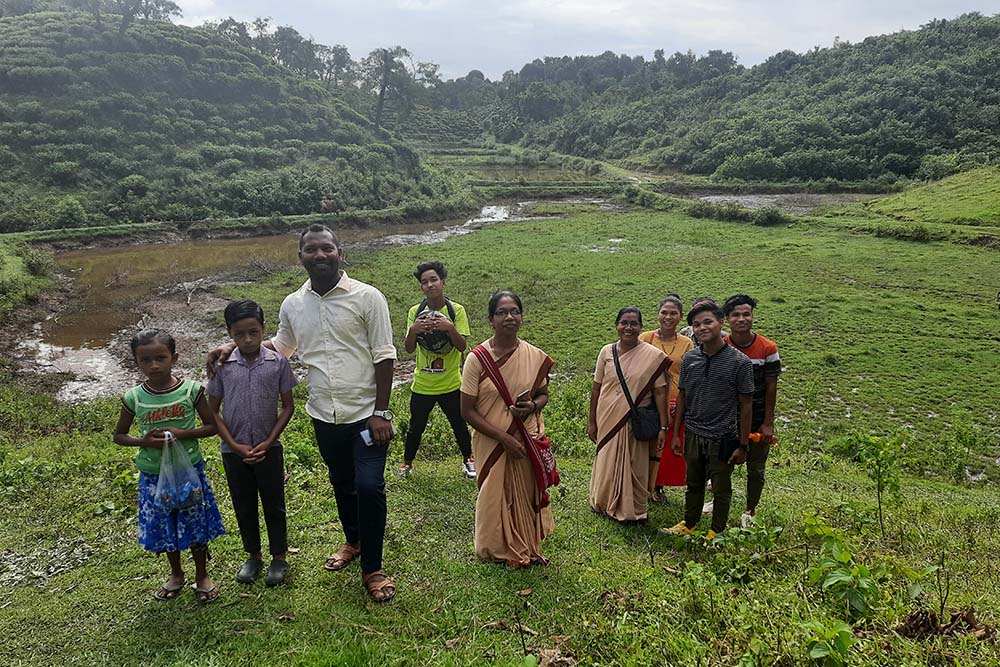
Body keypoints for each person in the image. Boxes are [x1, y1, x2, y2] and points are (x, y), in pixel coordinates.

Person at [207, 224, 397, 603]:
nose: (320, 255)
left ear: (340, 252)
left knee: (368, 486)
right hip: (324, 415)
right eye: (311, 250)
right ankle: (354, 542)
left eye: (327, 248)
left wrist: (382, 412)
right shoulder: (293, 304)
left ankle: (372, 568)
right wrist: (230, 346)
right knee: (342, 483)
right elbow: (281, 346)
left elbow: (384, 355)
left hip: (366, 415)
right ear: (301, 257)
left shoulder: (368, 297)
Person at [113, 329, 224, 604]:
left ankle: (202, 575)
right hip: (153, 475)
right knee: (166, 525)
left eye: (160, 358)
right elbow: (119, 435)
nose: (154, 365)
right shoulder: (134, 397)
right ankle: (176, 574)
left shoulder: (192, 391)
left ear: (174, 358)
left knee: (195, 523)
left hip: (188, 473)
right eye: (145, 360)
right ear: (135, 362)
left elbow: (212, 426)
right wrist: (144, 441)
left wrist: (182, 434)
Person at [460, 291, 555, 566]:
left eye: (514, 311)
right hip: (492, 440)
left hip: (525, 437)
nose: (509, 317)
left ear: (522, 317)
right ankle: (495, 548)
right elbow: (466, 410)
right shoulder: (477, 359)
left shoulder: (533, 356)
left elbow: (543, 394)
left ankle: (527, 545)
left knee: (525, 492)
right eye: (502, 312)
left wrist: (532, 407)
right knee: (494, 492)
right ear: (491, 319)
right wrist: (503, 438)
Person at [207, 300, 297, 587]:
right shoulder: (223, 366)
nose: (247, 339)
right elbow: (212, 411)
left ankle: (279, 557)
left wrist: (271, 440)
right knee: (243, 504)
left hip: (269, 449)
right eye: (239, 334)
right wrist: (233, 444)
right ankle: (253, 556)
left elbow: (288, 406)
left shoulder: (277, 362)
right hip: (233, 452)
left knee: (274, 504)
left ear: (263, 329)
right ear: (229, 334)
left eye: (253, 332)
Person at [662, 300, 753, 538]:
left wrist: (742, 445)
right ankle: (689, 523)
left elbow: (745, 406)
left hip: (723, 437)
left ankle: (717, 530)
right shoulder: (690, 360)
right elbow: (682, 397)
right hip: (693, 432)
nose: (702, 328)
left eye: (707, 322)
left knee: (721, 487)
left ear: (720, 323)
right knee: (693, 483)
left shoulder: (739, 363)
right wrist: (676, 434)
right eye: (696, 324)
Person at [588, 307, 671, 522]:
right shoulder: (606, 352)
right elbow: (597, 388)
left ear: (640, 327)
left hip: (636, 420)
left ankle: (631, 507)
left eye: (634, 323)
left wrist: (664, 426)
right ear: (617, 325)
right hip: (607, 416)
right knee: (606, 457)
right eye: (624, 322)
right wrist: (592, 421)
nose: (628, 327)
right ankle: (603, 501)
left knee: (635, 462)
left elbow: (661, 392)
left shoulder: (652, 357)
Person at [400, 261, 474, 479]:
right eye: (424, 282)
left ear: (443, 283)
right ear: (421, 287)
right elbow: (409, 348)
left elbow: (462, 347)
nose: (430, 285)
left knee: (459, 425)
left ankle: (469, 460)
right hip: (422, 383)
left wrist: (449, 328)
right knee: (415, 427)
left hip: (451, 383)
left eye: (434, 280)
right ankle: (407, 464)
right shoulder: (415, 311)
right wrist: (413, 330)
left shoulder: (456, 310)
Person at [723, 294, 781, 527]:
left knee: (756, 468)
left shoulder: (768, 348)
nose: (741, 319)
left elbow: (771, 387)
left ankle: (750, 509)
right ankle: (719, 504)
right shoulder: (722, 346)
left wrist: (768, 422)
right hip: (727, 419)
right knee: (722, 466)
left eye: (746, 314)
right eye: (736, 315)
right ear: (727, 319)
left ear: (752, 316)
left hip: (757, 418)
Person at [639, 295, 695, 502]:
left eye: (673, 313)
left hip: (675, 402)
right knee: (649, 444)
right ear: (658, 314)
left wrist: (684, 402)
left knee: (668, 449)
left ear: (680, 317)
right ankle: (645, 485)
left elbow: (690, 374)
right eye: (664, 312)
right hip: (649, 402)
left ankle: (659, 487)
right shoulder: (645, 338)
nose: (668, 317)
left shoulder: (687, 343)